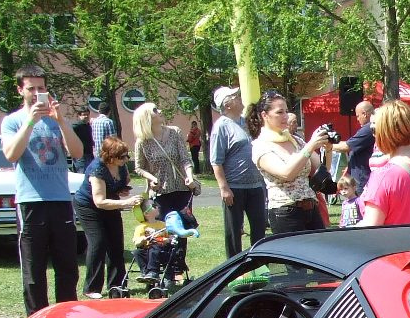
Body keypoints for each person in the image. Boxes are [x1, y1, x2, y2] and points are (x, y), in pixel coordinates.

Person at [0, 63, 83, 314]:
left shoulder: (56, 120)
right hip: (31, 201)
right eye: (31, 88)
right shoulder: (12, 121)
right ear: (20, 91)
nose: (37, 93)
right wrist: (30, 121)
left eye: (42, 88)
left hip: (59, 199)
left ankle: (66, 316)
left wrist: (61, 122)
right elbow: (11, 154)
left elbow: (78, 152)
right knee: (34, 269)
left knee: (67, 266)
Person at [252, 90, 332, 233]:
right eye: (279, 112)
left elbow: (322, 171)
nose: (286, 116)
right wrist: (310, 146)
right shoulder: (260, 145)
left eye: (286, 111)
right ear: (265, 115)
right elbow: (287, 173)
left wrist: (328, 149)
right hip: (285, 213)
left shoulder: (296, 140)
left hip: (311, 208)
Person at [74, 134, 139, 297]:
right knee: (98, 242)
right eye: (122, 157)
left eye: (126, 155)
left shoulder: (122, 166)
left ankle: (117, 285)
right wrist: (126, 202)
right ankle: (92, 288)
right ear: (110, 157)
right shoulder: (97, 169)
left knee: (116, 243)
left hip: (111, 203)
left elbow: (123, 182)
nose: (126, 159)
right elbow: (99, 201)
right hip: (89, 207)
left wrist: (120, 190)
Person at [209, 85, 267, 255]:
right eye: (234, 96)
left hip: (256, 185)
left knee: (259, 228)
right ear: (227, 105)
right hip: (234, 188)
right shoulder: (221, 126)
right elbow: (216, 161)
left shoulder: (247, 122)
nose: (239, 96)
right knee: (234, 231)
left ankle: (259, 265)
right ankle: (233, 270)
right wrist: (224, 188)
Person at [132, 101, 196, 222]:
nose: (160, 111)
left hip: (182, 189)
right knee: (165, 231)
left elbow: (185, 158)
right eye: (155, 110)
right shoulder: (142, 142)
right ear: (146, 117)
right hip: (160, 191)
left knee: (183, 230)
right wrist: (152, 178)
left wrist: (190, 177)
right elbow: (139, 168)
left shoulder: (175, 132)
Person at [342, 99, 375, 193]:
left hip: (363, 181)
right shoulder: (368, 128)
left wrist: (328, 145)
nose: (357, 119)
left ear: (364, 114)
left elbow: (346, 146)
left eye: (358, 116)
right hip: (360, 180)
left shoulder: (368, 129)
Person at [71, 107, 95, 171]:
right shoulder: (76, 126)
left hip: (89, 154)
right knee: (82, 174)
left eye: (88, 114)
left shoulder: (88, 126)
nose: (86, 116)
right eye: (84, 115)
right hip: (80, 156)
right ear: (79, 115)